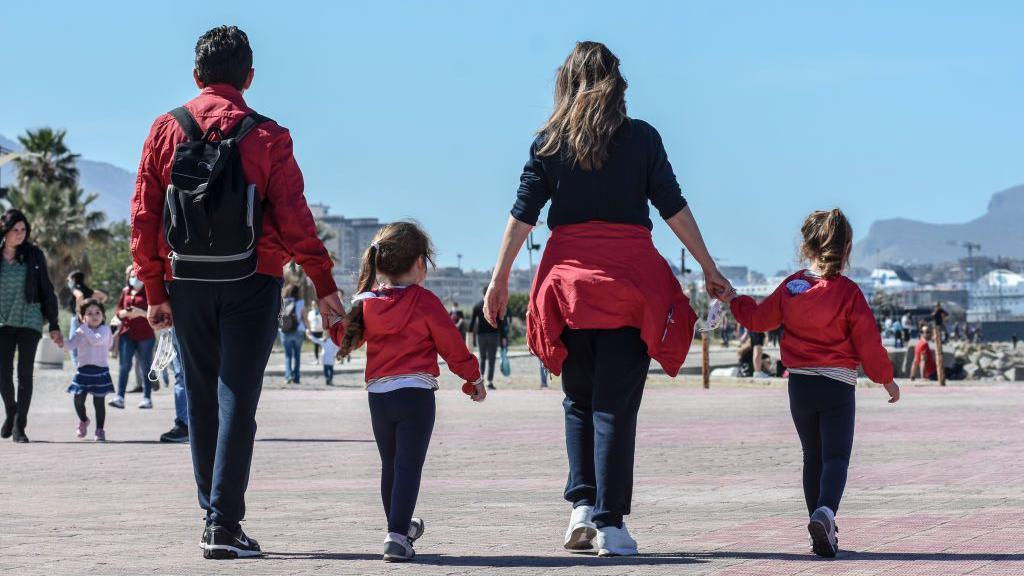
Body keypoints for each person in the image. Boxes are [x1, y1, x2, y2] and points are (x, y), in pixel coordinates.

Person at [483, 42, 730, 557]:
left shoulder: (550, 142)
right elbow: (673, 208)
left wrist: (499, 278)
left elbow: (523, 213)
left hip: (568, 289)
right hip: (629, 288)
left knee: (579, 401)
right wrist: (708, 267)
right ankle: (610, 524)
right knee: (615, 406)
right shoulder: (641, 138)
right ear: (617, 84)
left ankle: (580, 509)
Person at [131, 25, 344, 559]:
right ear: (249, 78)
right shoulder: (267, 135)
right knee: (237, 400)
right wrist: (323, 285)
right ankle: (223, 524)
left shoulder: (164, 129)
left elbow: (143, 216)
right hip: (253, 277)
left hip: (187, 282)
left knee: (201, 399)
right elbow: (296, 220)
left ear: (196, 76)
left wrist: (154, 290)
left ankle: (213, 517)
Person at [724, 208, 900, 558]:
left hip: (800, 386)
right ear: (847, 248)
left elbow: (759, 319)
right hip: (837, 386)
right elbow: (868, 343)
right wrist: (886, 380)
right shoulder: (849, 293)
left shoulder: (792, 287)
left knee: (812, 456)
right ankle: (826, 513)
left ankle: (817, 527)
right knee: (836, 457)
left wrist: (732, 300)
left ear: (806, 247)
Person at [338, 222, 486, 562]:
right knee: (408, 467)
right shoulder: (425, 301)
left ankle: (399, 528)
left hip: (379, 396)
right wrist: (473, 379)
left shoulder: (366, 302)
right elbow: (452, 346)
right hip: (416, 396)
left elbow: (343, 338)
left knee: (390, 465)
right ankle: (395, 537)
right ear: (419, 263)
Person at [0, 209, 63, 443]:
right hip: (2, 322)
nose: (19, 234)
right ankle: (11, 409)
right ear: (5, 231)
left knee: (24, 374)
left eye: (23, 230)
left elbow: (47, 290)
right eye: (15, 230)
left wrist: (54, 324)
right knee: (3, 374)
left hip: (30, 320)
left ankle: (20, 426)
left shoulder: (34, 256)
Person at [64, 298, 114, 441]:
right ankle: (84, 420)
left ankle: (99, 430)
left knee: (98, 403)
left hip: (100, 371)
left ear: (103, 316)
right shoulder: (81, 331)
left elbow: (96, 340)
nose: (94, 316)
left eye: (97, 312)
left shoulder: (105, 330)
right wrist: (61, 340)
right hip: (83, 371)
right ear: (83, 317)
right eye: (89, 313)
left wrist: (83, 328)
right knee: (78, 399)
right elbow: (70, 346)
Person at [108, 265, 155, 410]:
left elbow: (154, 311)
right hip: (127, 334)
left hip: (145, 335)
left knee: (146, 367)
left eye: (137, 275)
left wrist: (140, 312)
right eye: (132, 275)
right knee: (124, 366)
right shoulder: (125, 291)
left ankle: (147, 398)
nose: (134, 277)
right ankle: (120, 397)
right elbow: (118, 311)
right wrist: (123, 313)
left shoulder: (149, 291)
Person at [66, 270, 108, 366]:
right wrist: (96, 306)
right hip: (88, 319)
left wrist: (79, 312)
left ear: (73, 279)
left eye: (69, 280)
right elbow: (104, 296)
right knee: (87, 341)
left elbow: (79, 296)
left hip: (77, 318)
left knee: (74, 342)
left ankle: (77, 365)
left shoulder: (74, 289)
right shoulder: (89, 290)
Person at [469, 286, 508, 390]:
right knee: (491, 359)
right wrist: (503, 336)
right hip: (494, 335)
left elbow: (472, 323)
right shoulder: (496, 306)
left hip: (481, 336)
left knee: (482, 358)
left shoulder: (477, 306)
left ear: (482, 294)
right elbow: (501, 322)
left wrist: (469, 338)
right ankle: (490, 382)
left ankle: (480, 380)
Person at [159, 329, 190, 443]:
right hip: (176, 325)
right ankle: (184, 425)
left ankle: (187, 425)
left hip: (193, 322)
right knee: (181, 377)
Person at [279, 284, 306, 384]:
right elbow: (304, 317)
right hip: (298, 330)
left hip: (285, 331)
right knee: (297, 355)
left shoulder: (282, 301)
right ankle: (297, 377)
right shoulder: (300, 302)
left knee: (288, 355)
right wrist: (308, 329)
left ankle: (288, 376)